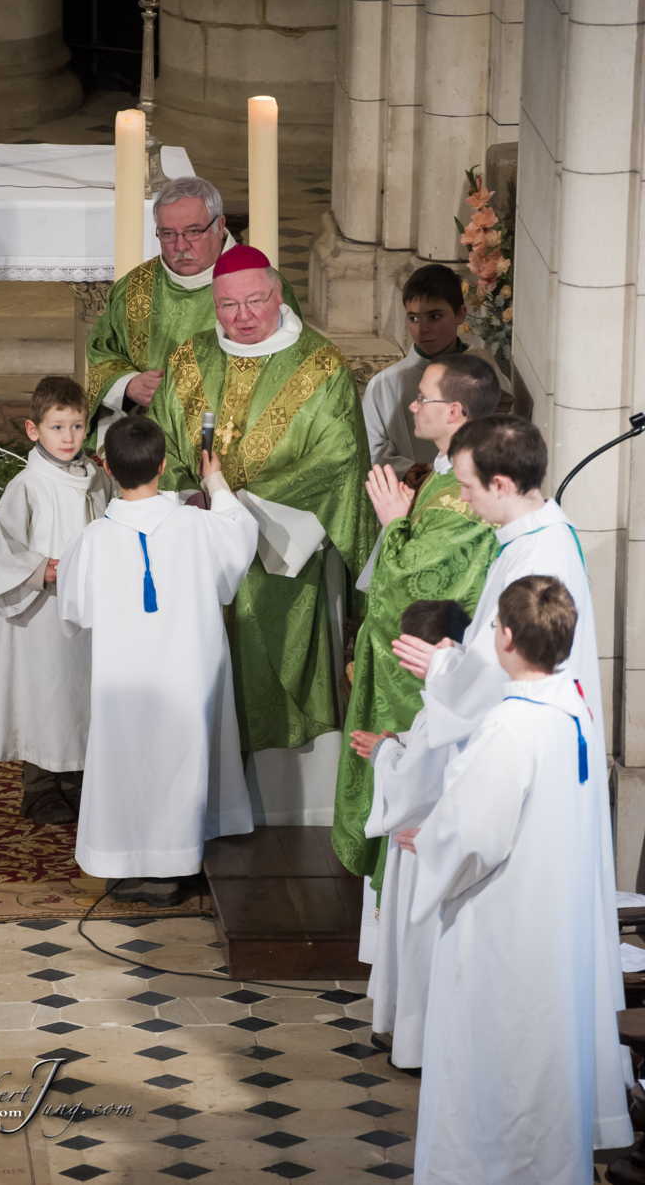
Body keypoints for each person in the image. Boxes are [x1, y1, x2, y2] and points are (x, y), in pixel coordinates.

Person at [392, 413, 628, 1094]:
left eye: (466, 487)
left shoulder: (536, 554)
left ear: (501, 482)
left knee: (517, 988)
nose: (461, 499)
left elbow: (498, 676)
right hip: (548, 771)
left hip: (522, 811)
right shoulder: (533, 535)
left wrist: (442, 672)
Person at [405, 576, 632, 1184]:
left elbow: (472, 838)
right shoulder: (575, 710)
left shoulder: (511, 727)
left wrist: (429, 841)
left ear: (504, 638)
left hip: (502, 935)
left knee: (496, 1080)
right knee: (542, 1076)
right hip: (553, 926)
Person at [149, 242, 374, 823]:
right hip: (200, 549)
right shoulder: (189, 360)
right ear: (213, 306)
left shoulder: (321, 366)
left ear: (278, 295)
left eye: (255, 301)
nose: (243, 317)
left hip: (285, 554)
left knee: (284, 662)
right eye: (228, 306)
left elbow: (338, 461)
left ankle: (289, 807)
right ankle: (205, 799)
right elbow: (164, 445)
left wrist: (235, 505)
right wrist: (191, 494)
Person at [57, 416, 258, 908]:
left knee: (126, 761)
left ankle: (123, 863)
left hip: (122, 677)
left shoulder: (92, 540)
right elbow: (242, 535)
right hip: (186, 673)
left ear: (105, 466)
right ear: (164, 466)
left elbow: (76, 612)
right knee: (180, 757)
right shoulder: (196, 524)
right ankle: (178, 861)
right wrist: (214, 479)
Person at [332, 354, 500, 907]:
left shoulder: (461, 494)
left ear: (454, 410)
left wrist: (393, 524)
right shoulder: (447, 473)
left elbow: (418, 588)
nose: (411, 406)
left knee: (411, 800)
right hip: (412, 663)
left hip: (424, 669)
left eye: (422, 398)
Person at [0, 377, 110, 825]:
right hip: (41, 613)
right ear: (34, 430)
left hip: (88, 612)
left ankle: (78, 780)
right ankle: (40, 787)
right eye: (57, 427)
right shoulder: (27, 485)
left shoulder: (98, 478)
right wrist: (39, 569)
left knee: (81, 693)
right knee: (46, 695)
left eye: (77, 427)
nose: (68, 438)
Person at [86, 176, 299, 446]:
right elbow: (101, 353)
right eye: (168, 234)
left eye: (193, 231)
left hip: (232, 438)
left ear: (220, 226)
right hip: (144, 442)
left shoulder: (261, 286)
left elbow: (288, 371)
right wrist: (128, 385)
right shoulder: (133, 289)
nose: (181, 246)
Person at [349, 598, 471, 1070]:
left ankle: (418, 1047)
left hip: (428, 848)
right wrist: (395, 744)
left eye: (414, 657)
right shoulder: (456, 696)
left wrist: (384, 754)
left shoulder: (449, 702)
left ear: (442, 648)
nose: (411, 670)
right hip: (429, 842)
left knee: (422, 950)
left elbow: (416, 787)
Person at [361, 263, 510, 475]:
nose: (422, 329)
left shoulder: (484, 372)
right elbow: (371, 449)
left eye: (435, 316)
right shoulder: (384, 385)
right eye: (413, 318)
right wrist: (412, 471)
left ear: (460, 314)